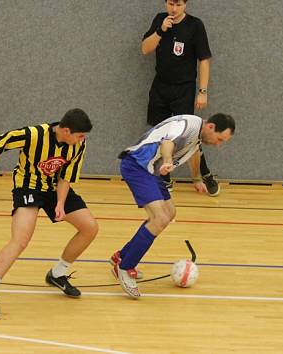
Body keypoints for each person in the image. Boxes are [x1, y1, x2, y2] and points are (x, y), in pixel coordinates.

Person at [0, 108, 98, 319]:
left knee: (90, 228)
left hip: (53, 189)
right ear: (66, 131)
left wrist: (60, 203)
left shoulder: (78, 145)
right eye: (79, 135)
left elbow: (66, 177)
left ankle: (58, 273)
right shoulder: (34, 134)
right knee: (21, 240)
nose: (82, 139)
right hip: (28, 187)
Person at [110, 113, 235, 298]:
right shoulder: (188, 125)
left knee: (169, 213)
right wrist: (168, 161)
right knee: (159, 218)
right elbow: (168, 142)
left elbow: (194, 156)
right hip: (139, 165)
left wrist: (196, 180)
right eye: (219, 139)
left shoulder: (198, 137)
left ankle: (122, 256)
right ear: (211, 127)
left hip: (152, 172)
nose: (218, 144)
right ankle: (126, 267)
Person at [141, 0, 221, 196]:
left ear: (185, 5)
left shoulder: (195, 25)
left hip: (184, 89)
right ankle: (165, 176)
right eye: (170, 4)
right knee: (161, 134)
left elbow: (204, 59)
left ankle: (204, 174)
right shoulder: (160, 20)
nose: (173, 9)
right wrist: (160, 31)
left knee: (188, 136)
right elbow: (145, 49)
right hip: (160, 86)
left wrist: (202, 91)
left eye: (178, 4)